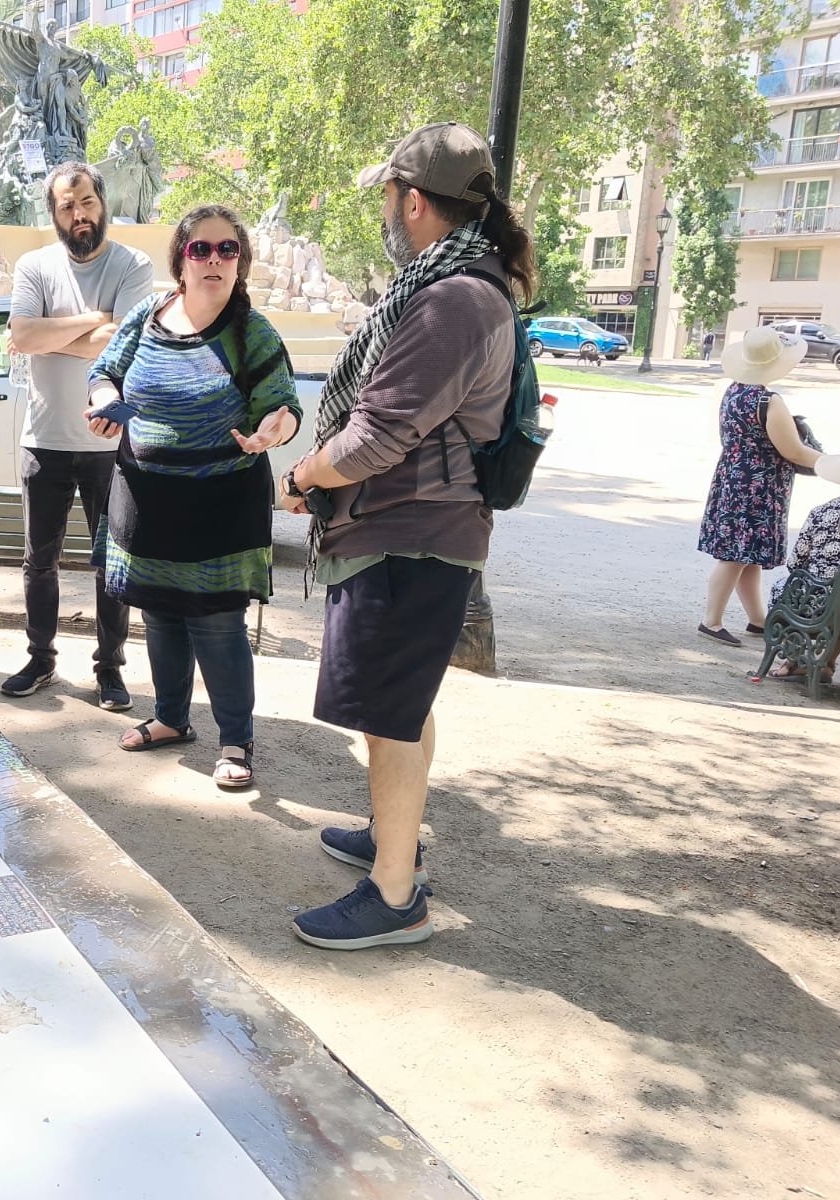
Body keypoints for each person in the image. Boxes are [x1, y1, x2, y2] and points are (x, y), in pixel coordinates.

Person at [276, 122, 535, 950]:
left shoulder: (454, 297)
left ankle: (395, 896)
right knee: (401, 704)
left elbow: (379, 435)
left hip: (410, 533)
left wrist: (306, 474)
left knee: (388, 714)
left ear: (414, 202)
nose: (384, 211)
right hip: (410, 533)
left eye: (388, 196)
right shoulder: (455, 282)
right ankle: (395, 834)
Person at [87, 205, 299, 788]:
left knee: (217, 624)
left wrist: (272, 429)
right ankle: (172, 719)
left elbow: (282, 405)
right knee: (159, 614)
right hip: (145, 497)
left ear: (241, 263)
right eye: (200, 249)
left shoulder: (250, 331)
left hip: (219, 505)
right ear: (181, 258)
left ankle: (236, 741)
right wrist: (106, 400)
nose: (213, 259)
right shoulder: (147, 313)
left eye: (226, 250)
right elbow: (105, 371)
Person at [2, 162, 154, 707]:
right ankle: (40, 660)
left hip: (110, 444)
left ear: (101, 201)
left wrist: (47, 337)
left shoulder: (133, 264)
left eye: (86, 202)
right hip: (44, 439)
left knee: (112, 563)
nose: (79, 214)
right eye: (67, 206)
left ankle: (109, 670)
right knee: (38, 562)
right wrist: (93, 323)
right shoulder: (35, 265)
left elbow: (126, 344)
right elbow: (21, 332)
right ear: (54, 213)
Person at [696, 326, 821, 646]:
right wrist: (832, 462)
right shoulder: (769, 401)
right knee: (736, 555)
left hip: (732, 477)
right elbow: (792, 450)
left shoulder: (733, 391)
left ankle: (757, 619)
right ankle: (711, 621)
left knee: (745, 555)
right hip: (760, 485)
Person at [766, 430, 840, 685]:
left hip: (819, 609)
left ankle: (797, 658)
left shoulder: (821, 514)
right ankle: (826, 661)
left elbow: (795, 566)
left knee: (785, 588)